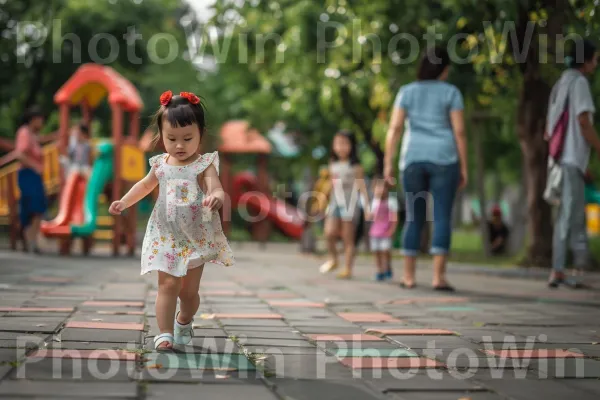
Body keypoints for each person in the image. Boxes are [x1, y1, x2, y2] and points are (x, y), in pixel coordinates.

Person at [108, 90, 235, 350]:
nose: (180, 145)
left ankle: (184, 319)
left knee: (188, 294)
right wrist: (124, 201)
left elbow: (217, 188)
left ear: (201, 133)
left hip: (195, 235)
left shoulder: (204, 164)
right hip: (164, 235)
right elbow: (144, 186)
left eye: (187, 138)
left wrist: (216, 197)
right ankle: (164, 333)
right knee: (167, 284)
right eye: (172, 138)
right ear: (161, 136)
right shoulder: (160, 165)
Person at [384, 46, 467, 291]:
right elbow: (459, 132)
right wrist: (464, 166)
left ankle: (408, 277)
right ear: (444, 69)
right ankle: (438, 277)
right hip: (444, 158)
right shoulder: (451, 92)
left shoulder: (406, 92)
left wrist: (388, 162)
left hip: (412, 159)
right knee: (441, 215)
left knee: (413, 216)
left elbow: (395, 129)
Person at [546, 39, 599, 289]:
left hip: (563, 159)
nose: (596, 64)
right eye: (595, 59)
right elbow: (583, 122)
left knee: (569, 215)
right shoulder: (579, 83)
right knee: (571, 216)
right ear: (586, 60)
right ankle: (562, 270)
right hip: (570, 159)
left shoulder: (561, 83)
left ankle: (567, 269)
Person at [319, 130, 370, 279]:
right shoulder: (332, 164)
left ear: (352, 146)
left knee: (348, 238)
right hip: (335, 202)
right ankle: (333, 259)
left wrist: (367, 207)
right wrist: (322, 200)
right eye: (338, 143)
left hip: (350, 203)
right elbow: (330, 185)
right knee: (329, 233)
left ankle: (348, 268)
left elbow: (362, 187)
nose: (341, 147)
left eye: (345, 144)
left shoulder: (356, 166)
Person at [15, 106, 48, 254]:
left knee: (38, 208)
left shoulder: (34, 135)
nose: (42, 123)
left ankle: (32, 240)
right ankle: (29, 239)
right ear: (33, 119)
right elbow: (20, 154)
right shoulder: (24, 132)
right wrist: (35, 166)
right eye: (40, 120)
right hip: (28, 173)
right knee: (32, 206)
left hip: (34, 175)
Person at [368, 178, 399, 281]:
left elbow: (394, 218)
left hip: (386, 231)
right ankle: (380, 270)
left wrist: (392, 230)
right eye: (378, 187)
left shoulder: (391, 201)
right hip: (375, 231)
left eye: (383, 187)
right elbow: (371, 216)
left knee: (385, 250)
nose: (381, 190)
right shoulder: (374, 202)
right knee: (376, 251)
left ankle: (387, 266)